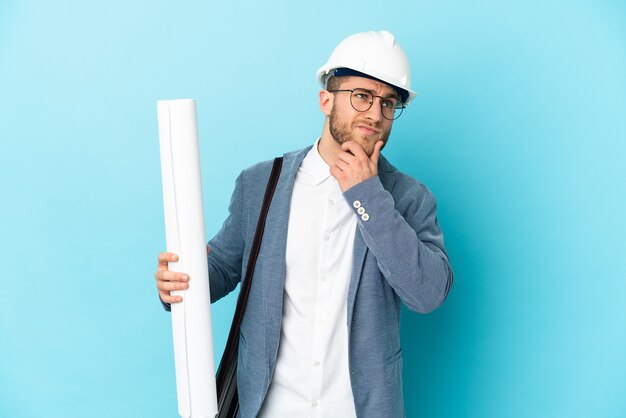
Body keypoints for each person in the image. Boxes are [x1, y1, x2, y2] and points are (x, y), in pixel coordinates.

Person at [155, 30, 453, 418]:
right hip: (269, 408)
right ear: (325, 100)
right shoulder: (261, 184)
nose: (375, 114)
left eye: (388, 103)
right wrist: (176, 280)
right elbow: (221, 271)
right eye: (362, 96)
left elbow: (428, 293)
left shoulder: (408, 197)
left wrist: (368, 195)